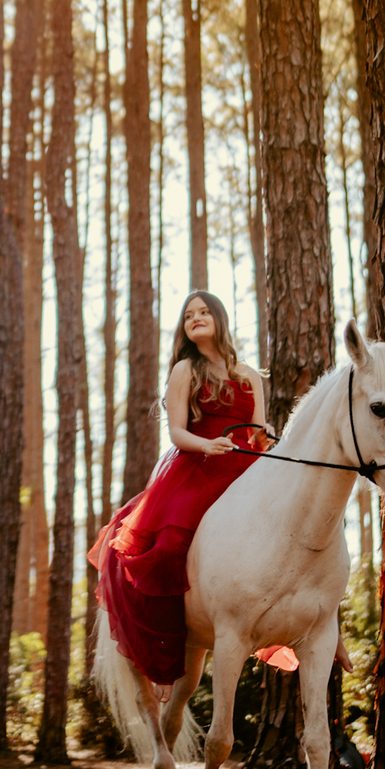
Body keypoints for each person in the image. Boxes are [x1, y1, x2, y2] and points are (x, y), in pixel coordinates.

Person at [89, 291, 270, 691]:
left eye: (204, 312)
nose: (196, 319)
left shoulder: (249, 375)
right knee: (168, 548)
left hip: (245, 469)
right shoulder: (185, 369)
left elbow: (257, 430)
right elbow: (176, 431)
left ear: (219, 318)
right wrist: (207, 445)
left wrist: (265, 437)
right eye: (189, 315)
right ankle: (166, 650)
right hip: (197, 468)